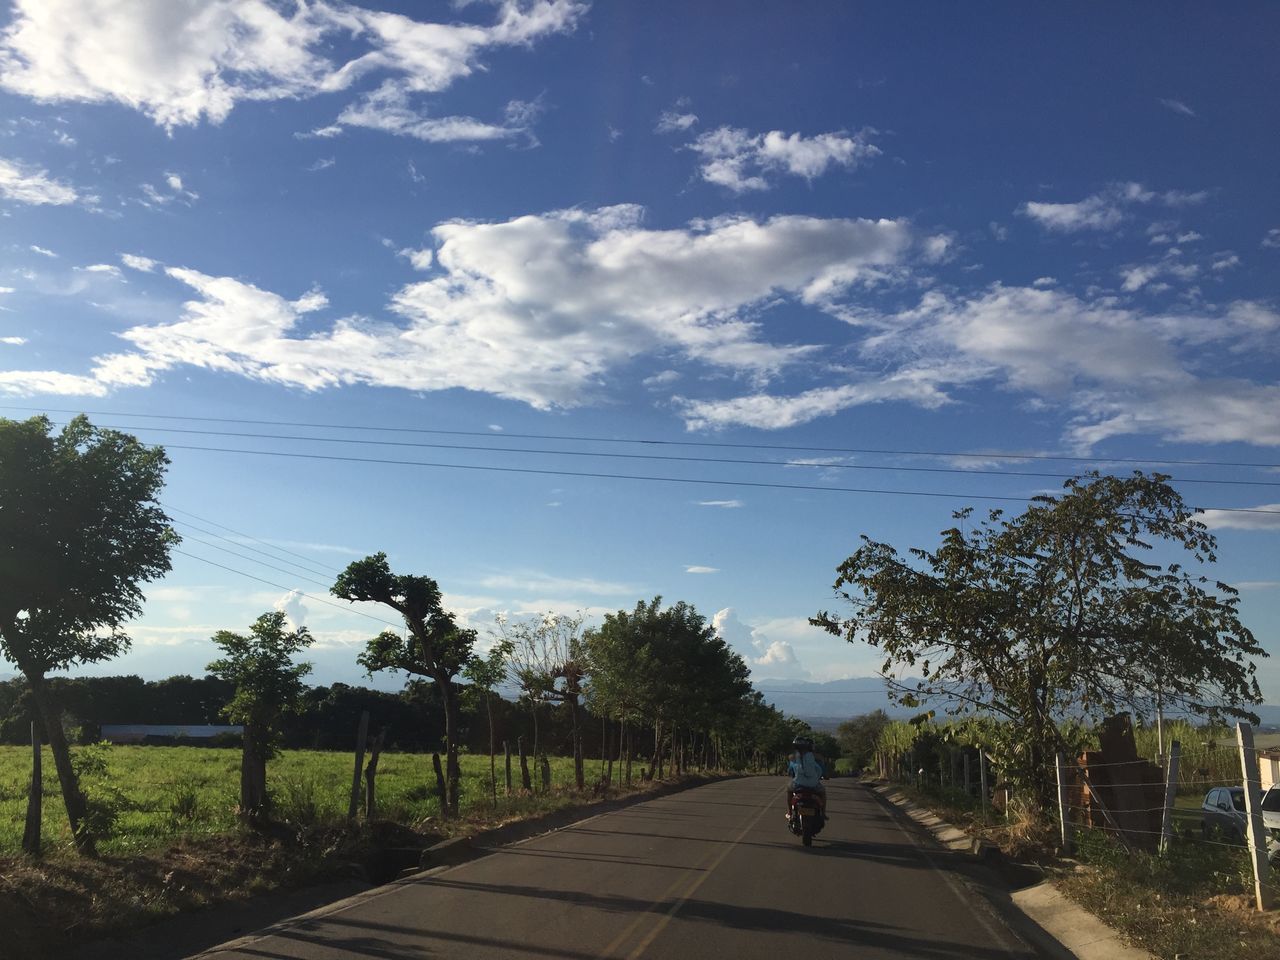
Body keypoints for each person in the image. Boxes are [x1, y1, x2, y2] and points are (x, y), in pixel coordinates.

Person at [787, 735, 828, 818]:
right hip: (813, 785)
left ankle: (790, 812)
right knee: (823, 792)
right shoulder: (815, 757)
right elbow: (820, 770)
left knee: (789, 790)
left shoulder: (793, 757)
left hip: (798, 785)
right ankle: (823, 813)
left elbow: (790, 771)